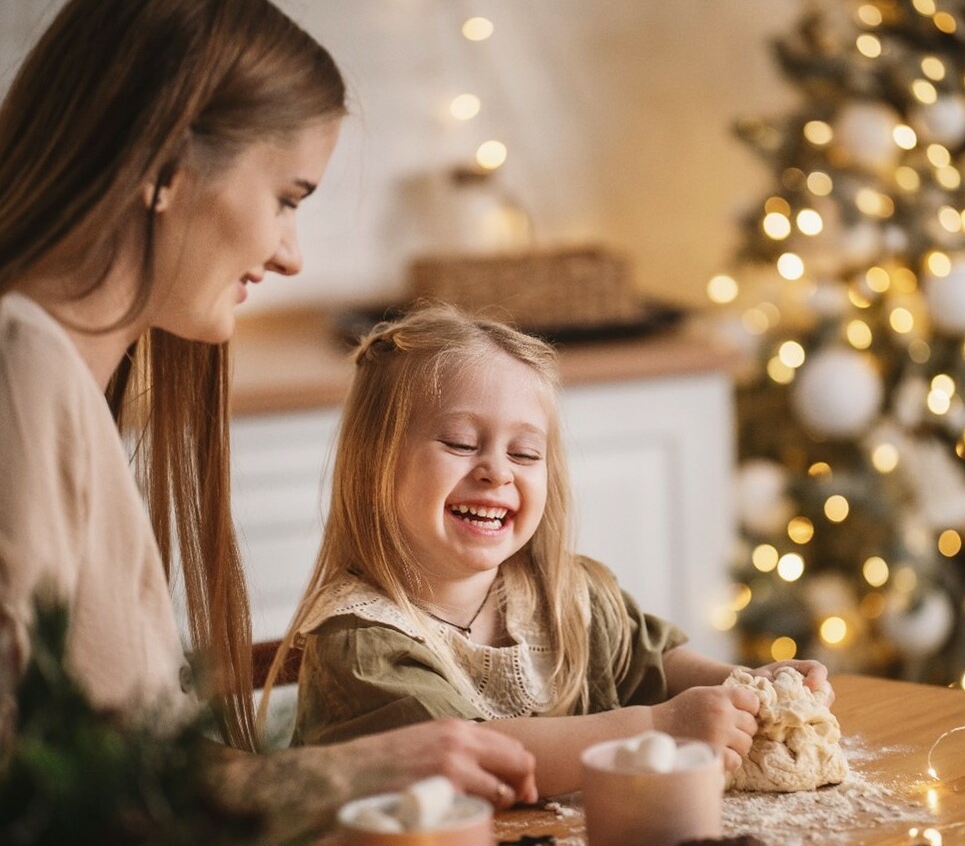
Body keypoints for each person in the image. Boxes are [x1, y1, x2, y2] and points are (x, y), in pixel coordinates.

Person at [0, 0, 536, 839]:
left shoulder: (58, 379)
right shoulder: (21, 368)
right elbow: (41, 796)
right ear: (167, 166)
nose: (289, 254)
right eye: (287, 197)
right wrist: (355, 766)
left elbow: (117, 753)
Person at [269, 304, 833, 797]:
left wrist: (749, 686)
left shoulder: (564, 593)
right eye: (461, 443)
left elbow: (653, 664)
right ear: (376, 465)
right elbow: (472, 756)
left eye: (525, 453)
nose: (496, 471)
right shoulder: (362, 645)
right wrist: (658, 730)